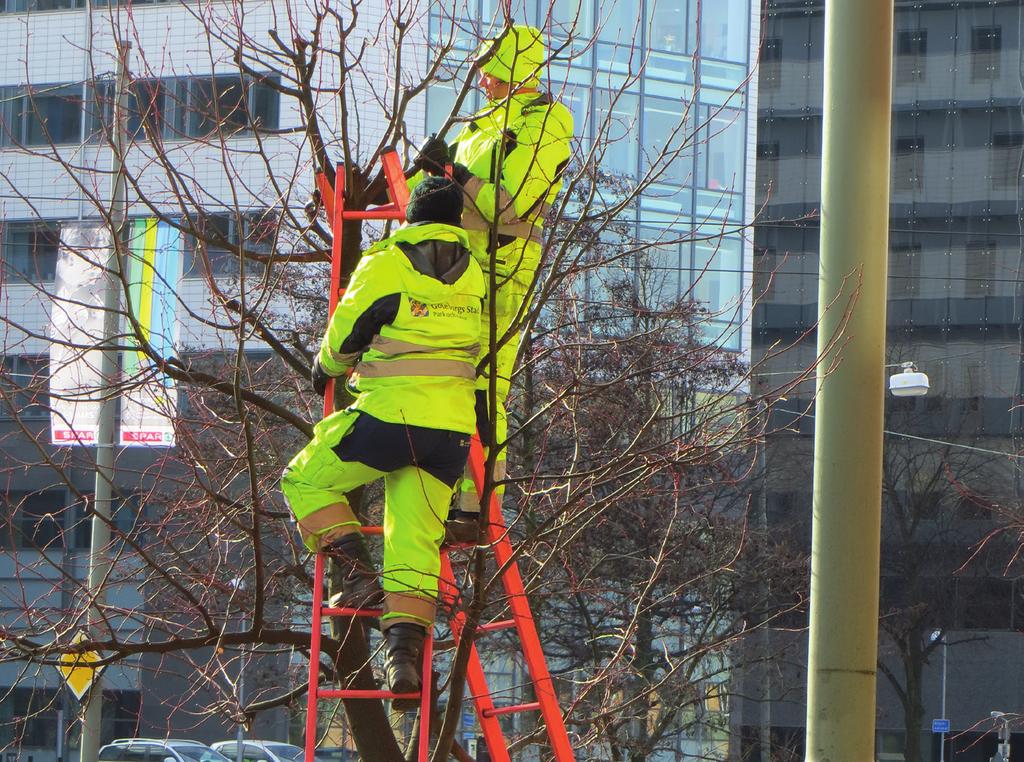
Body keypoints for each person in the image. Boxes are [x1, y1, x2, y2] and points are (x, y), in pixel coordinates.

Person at [281, 177, 484, 705]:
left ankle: (356, 573)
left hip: (390, 418)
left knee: (304, 479)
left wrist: (324, 365)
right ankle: (404, 662)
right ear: (458, 222)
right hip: (450, 434)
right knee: (413, 547)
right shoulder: (477, 274)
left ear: (410, 219)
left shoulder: (387, 262)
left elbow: (345, 336)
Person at [412, 24, 575, 542]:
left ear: (511, 69)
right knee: (439, 380)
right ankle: (439, 495)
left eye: (489, 66)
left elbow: (513, 203)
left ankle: (475, 505)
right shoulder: (478, 126)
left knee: (484, 387)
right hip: (453, 267)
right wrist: (427, 176)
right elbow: (428, 204)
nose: (479, 77)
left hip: (503, 269)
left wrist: (455, 175)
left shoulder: (547, 121)